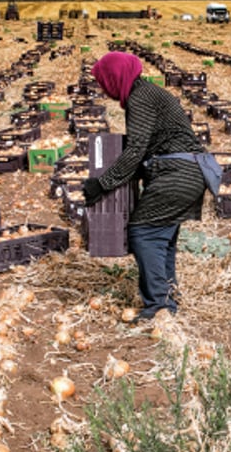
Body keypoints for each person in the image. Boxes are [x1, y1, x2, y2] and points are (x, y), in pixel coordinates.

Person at [82, 51, 219, 323]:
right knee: (162, 238)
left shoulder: (140, 97)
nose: (102, 88)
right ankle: (167, 296)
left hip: (177, 174)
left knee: (145, 234)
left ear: (114, 77)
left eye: (103, 81)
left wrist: (102, 184)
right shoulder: (148, 92)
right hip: (188, 172)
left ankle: (159, 307)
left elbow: (136, 150)